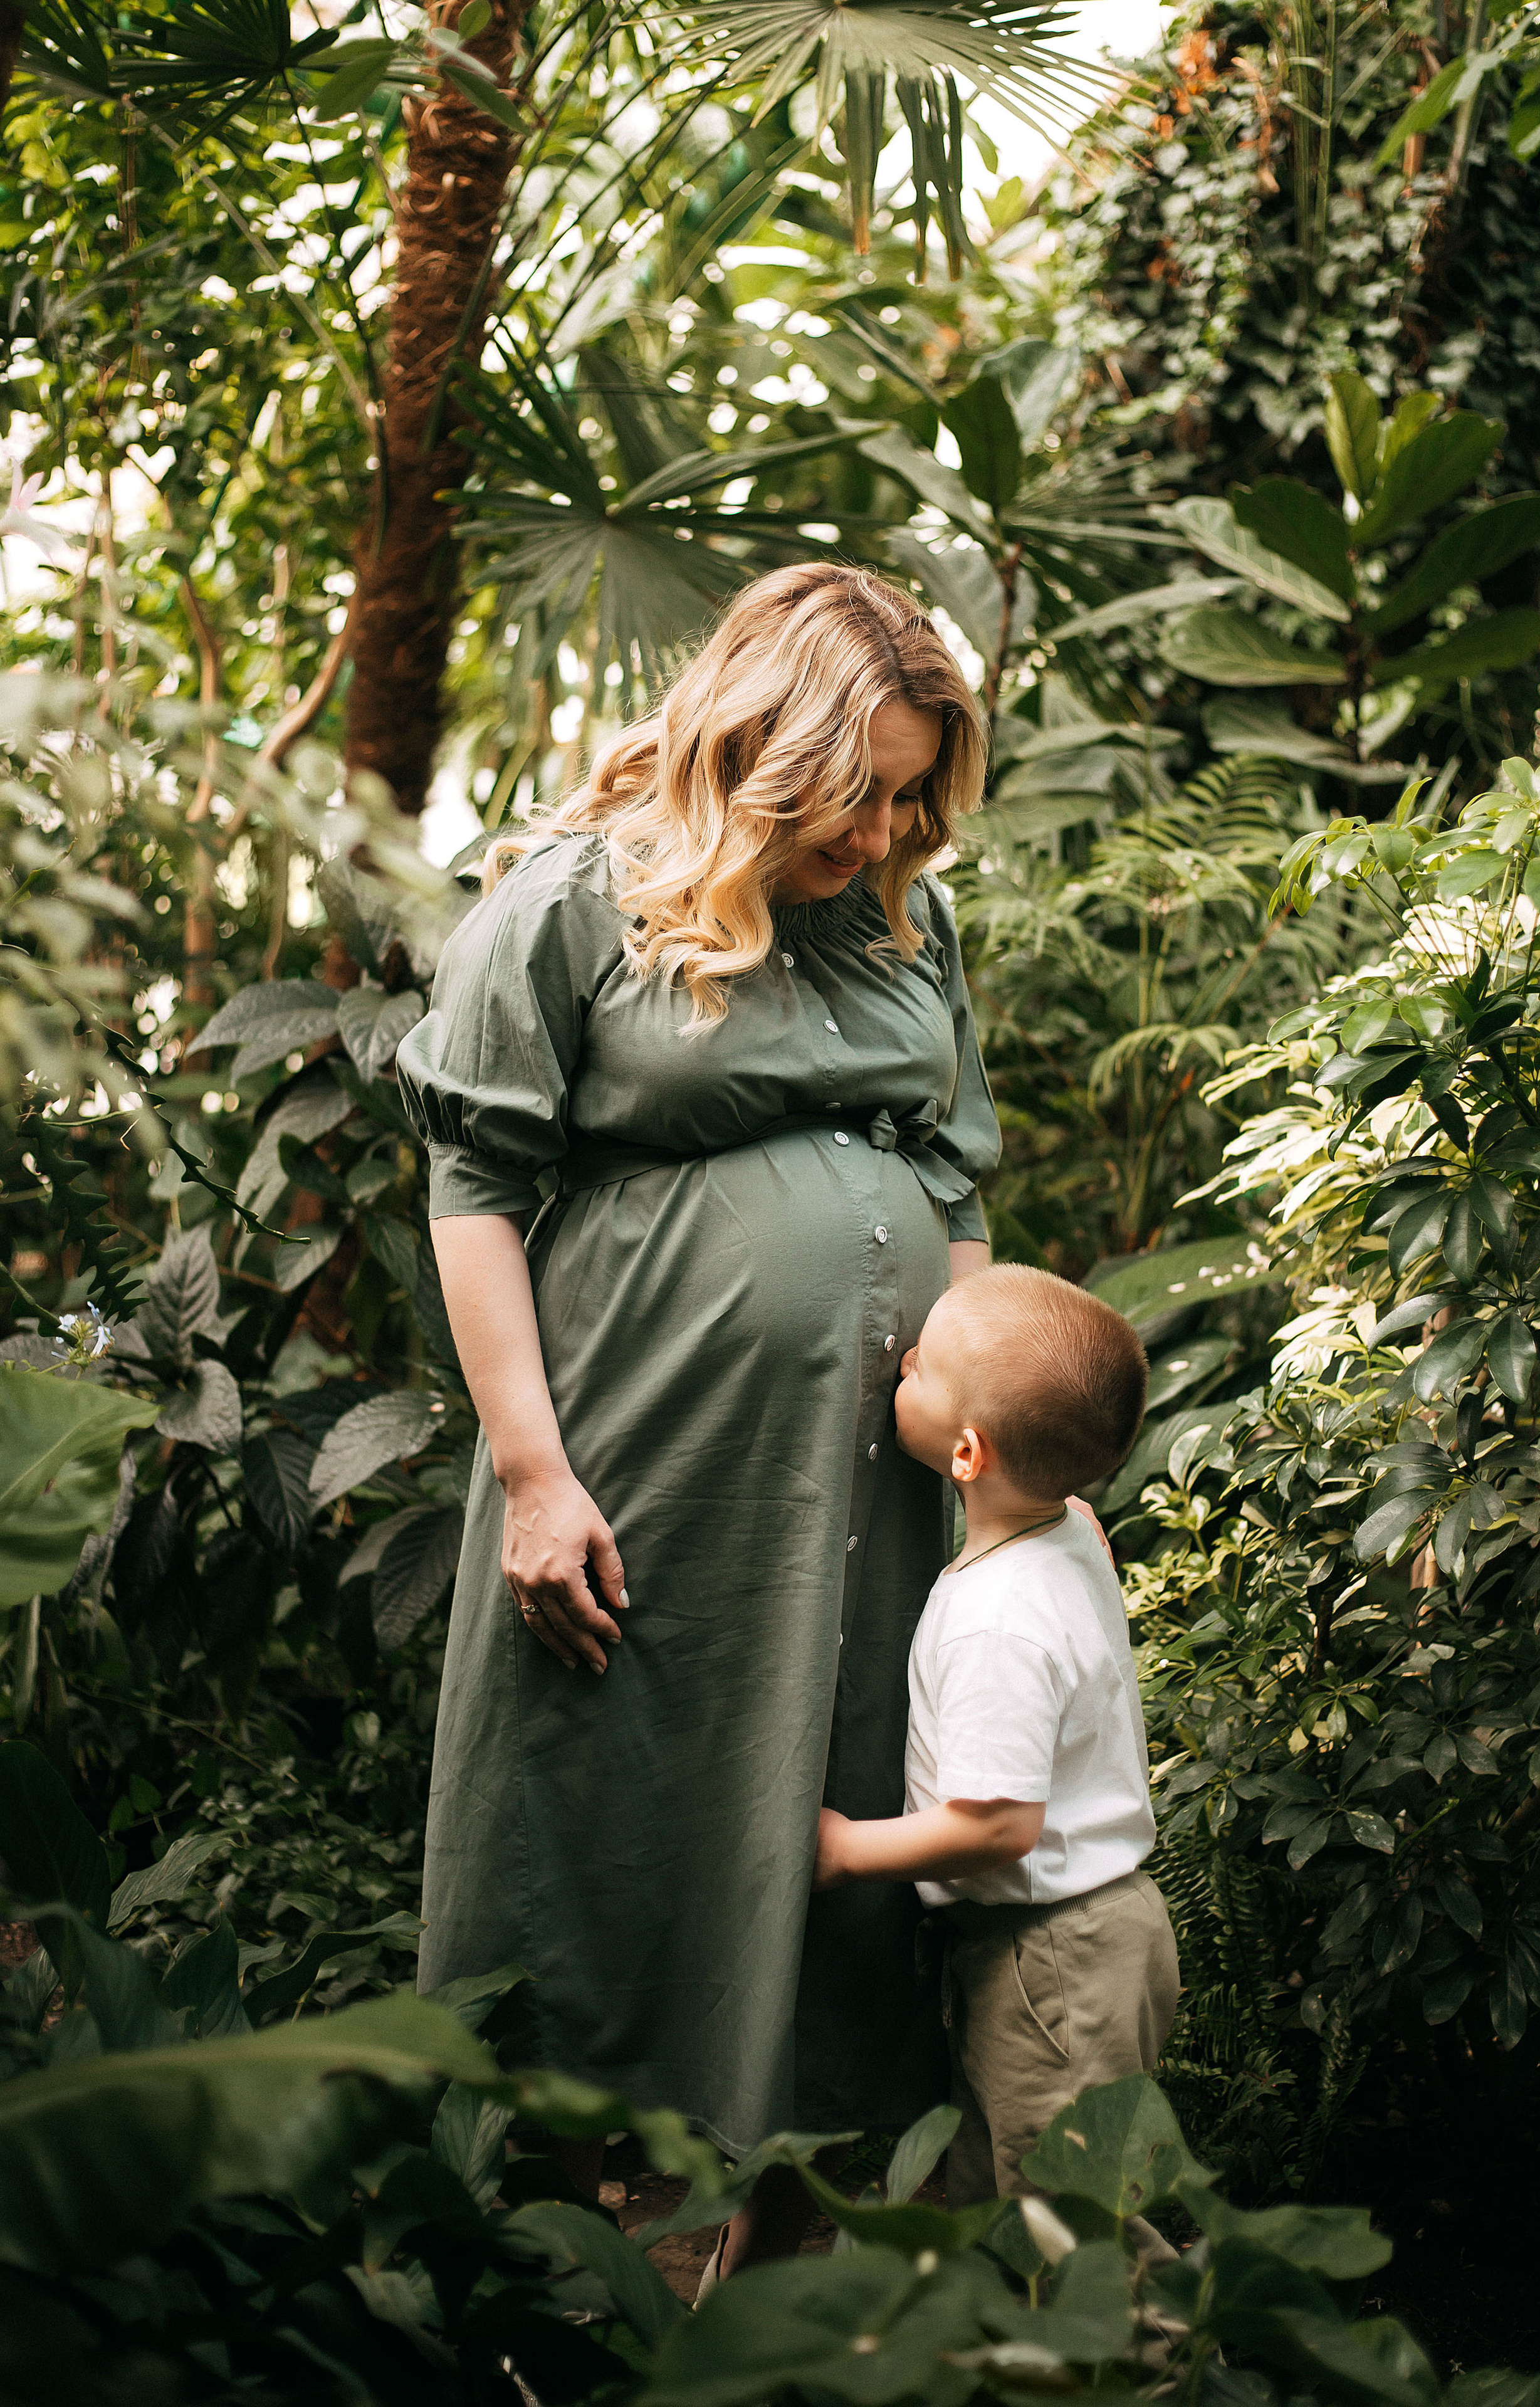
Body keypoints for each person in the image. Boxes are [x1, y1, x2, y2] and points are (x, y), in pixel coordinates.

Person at [395, 564, 1001, 2267]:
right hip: (644, 1455)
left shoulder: (905, 922)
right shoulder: (571, 901)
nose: (881, 833)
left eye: (908, 797)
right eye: (855, 792)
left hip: (874, 1482)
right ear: (758, 746)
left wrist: (994, 1464)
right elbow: (474, 1186)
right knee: (600, 1807)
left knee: (847, 1794)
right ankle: (535, 2259)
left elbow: (954, 1190)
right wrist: (532, 1475)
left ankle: (788, 2260)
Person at [812, 1263, 1180, 2206]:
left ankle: (1143, 2318)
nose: (903, 1363)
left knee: (1075, 2222)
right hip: (1079, 1940)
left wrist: (846, 1849)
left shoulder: (997, 1623)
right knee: (997, 2191)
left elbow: (997, 1826)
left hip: (1052, 1959)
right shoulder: (1069, 1530)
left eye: (923, 1367)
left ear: (969, 1455)